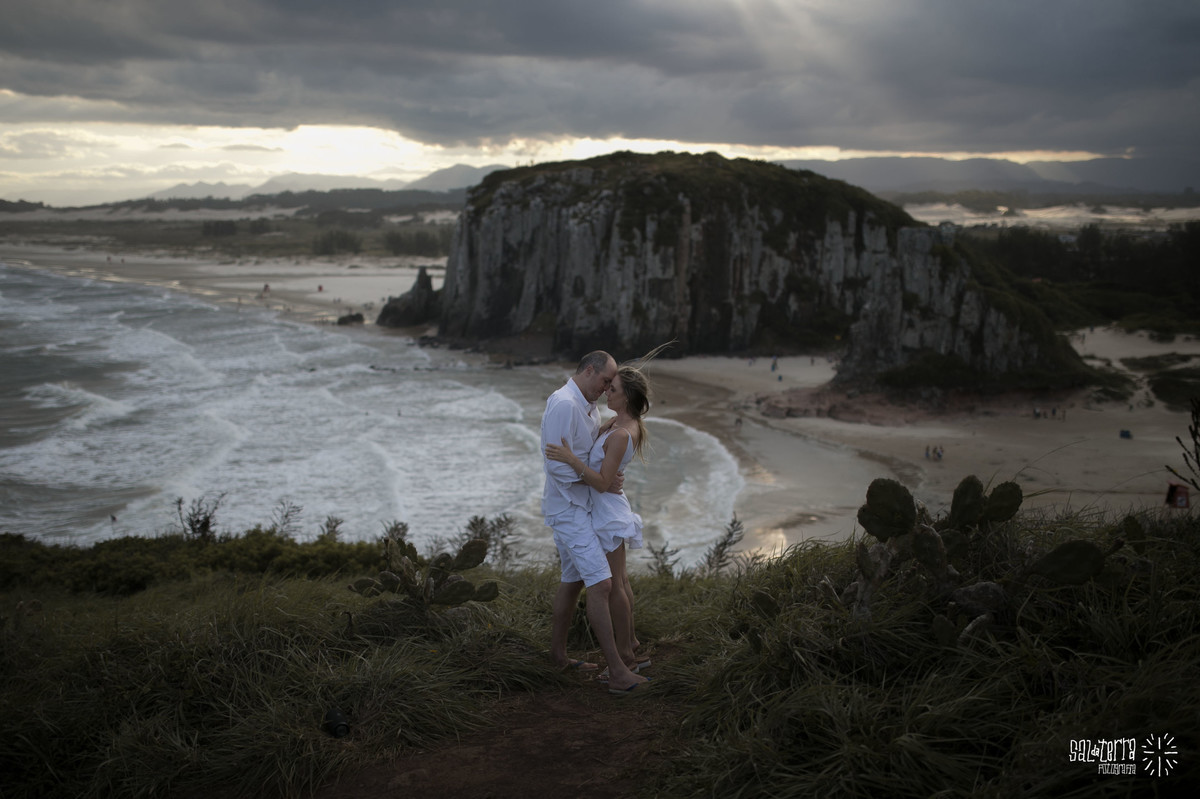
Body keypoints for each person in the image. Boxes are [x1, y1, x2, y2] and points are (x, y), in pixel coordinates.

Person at [540, 351, 648, 694]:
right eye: (605, 381)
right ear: (590, 371)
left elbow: (596, 452)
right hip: (570, 509)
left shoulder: (588, 406)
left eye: (611, 386)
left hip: (585, 505)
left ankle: (557, 656)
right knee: (602, 585)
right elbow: (557, 465)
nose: (605, 390)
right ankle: (617, 671)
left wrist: (607, 476)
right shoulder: (564, 405)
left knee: (573, 582)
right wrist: (601, 479)